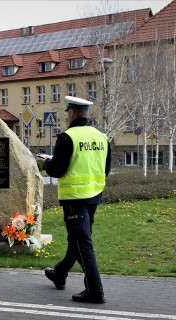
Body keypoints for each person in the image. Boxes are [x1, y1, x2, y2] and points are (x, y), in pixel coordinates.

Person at [37, 96, 111, 304]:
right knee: (78, 240)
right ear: (86, 113)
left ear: (70, 113)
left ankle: (95, 290)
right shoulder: (101, 137)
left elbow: (58, 170)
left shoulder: (67, 137)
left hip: (74, 198)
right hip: (94, 196)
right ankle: (60, 273)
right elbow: (105, 169)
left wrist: (47, 164)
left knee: (82, 242)